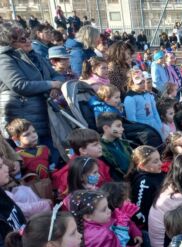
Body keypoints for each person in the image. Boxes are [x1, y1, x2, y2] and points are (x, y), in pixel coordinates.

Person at [0, 21, 62, 156]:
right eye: (22, 38)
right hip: (22, 119)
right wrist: (50, 84)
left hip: (43, 114)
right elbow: (19, 85)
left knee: (50, 157)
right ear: (10, 42)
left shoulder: (35, 55)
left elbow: (57, 75)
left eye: (28, 36)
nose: (28, 40)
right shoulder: (4, 58)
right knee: (32, 162)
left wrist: (56, 87)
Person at [51, 129, 112, 197]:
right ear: (83, 150)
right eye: (95, 145)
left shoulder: (98, 162)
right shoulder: (72, 172)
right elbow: (72, 197)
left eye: (99, 143)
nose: (100, 147)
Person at [124, 69, 163, 133]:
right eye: (139, 83)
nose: (143, 85)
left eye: (143, 82)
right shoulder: (130, 98)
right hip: (142, 128)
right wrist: (139, 132)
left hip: (154, 125)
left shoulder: (148, 95)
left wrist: (160, 125)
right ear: (131, 84)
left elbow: (154, 112)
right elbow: (132, 119)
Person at [97, 113, 132, 181]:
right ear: (106, 128)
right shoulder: (101, 148)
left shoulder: (123, 142)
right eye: (118, 126)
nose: (123, 129)